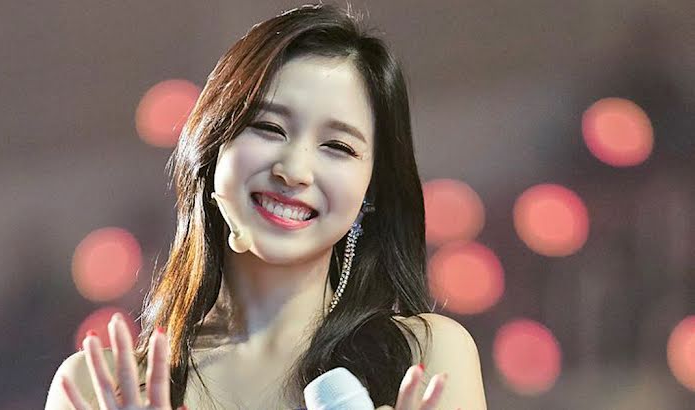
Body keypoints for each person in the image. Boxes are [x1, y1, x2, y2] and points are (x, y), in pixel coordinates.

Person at [45, 3, 487, 409]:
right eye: (270, 128)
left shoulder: (425, 359)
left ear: (370, 192)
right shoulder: (98, 387)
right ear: (213, 148)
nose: (294, 170)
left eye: (337, 146)